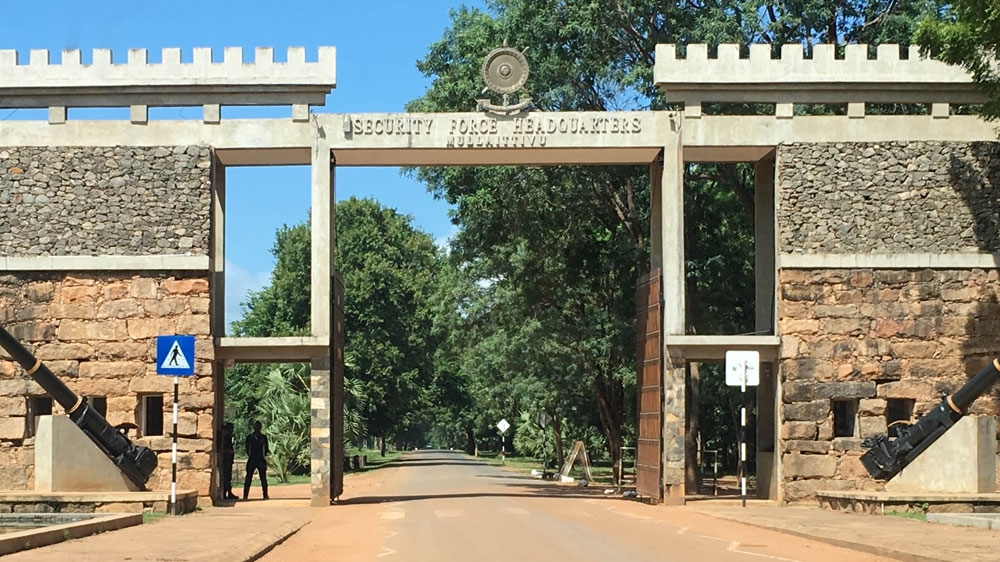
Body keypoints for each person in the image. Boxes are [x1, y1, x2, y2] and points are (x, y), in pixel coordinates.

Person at [243, 420, 269, 500]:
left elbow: (266, 448)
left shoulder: (263, 437)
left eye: (259, 426)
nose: (257, 428)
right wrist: (250, 455)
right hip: (252, 458)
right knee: (248, 478)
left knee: (263, 478)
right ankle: (245, 495)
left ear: (261, 428)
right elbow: (247, 448)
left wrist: (263, 456)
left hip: (260, 458)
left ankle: (265, 494)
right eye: (256, 426)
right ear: (254, 427)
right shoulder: (250, 437)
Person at [218, 422, 237, 500]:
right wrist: (227, 451)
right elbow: (220, 449)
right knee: (225, 477)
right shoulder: (223, 438)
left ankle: (228, 492)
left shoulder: (229, 437)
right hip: (224, 460)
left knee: (228, 477)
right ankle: (225, 493)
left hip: (229, 460)